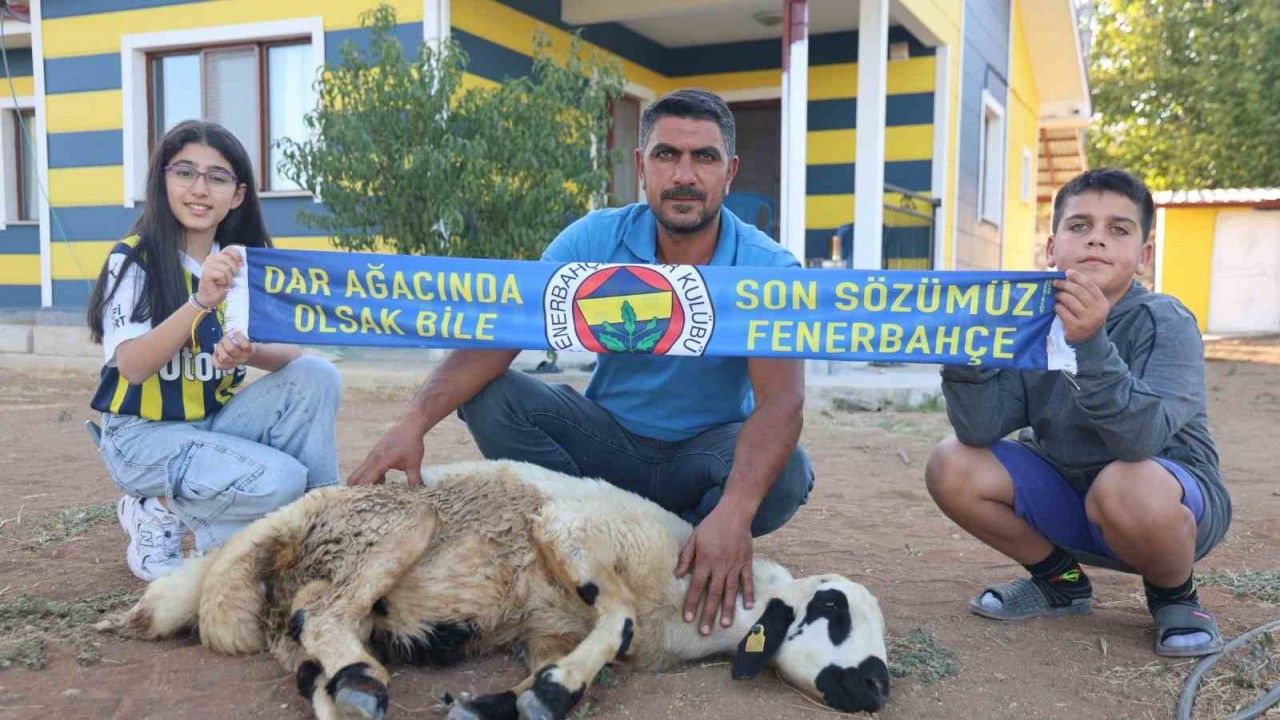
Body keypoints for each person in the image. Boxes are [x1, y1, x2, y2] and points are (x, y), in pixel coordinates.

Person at [349, 88, 814, 636]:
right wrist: (411, 422)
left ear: (729, 172)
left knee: (787, 473)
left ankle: (683, 543)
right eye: (667, 155)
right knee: (493, 396)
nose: (684, 175)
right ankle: (579, 531)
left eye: (704, 157)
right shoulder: (595, 238)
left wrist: (734, 511)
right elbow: (503, 333)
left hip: (705, 456)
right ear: (641, 166)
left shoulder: (767, 268)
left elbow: (781, 400)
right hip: (606, 446)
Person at [925, 167, 1230, 657]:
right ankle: (1060, 583)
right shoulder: (1031, 318)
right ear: (1052, 248)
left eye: (1119, 229)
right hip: (1068, 493)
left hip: (1162, 505)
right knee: (951, 461)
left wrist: (1089, 342)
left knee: (1125, 483)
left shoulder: (1165, 321)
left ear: (1144, 255)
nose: (1096, 240)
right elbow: (980, 427)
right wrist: (965, 357)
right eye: (1079, 225)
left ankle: (1175, 595)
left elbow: (1140, 440)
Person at [86, 120, 342, 582]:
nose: (200, 189)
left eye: (218, 177)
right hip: (141, 437)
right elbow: (132, 366)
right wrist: (201, 302)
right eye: (185, 173)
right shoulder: (135, 258)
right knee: (280, 480)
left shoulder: (241, 262)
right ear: (163, 181)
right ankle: (156, 510)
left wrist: (248, 352)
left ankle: (322, 521)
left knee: (317, 374)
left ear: (237, 194)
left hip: (210, 424)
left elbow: (290, 353)